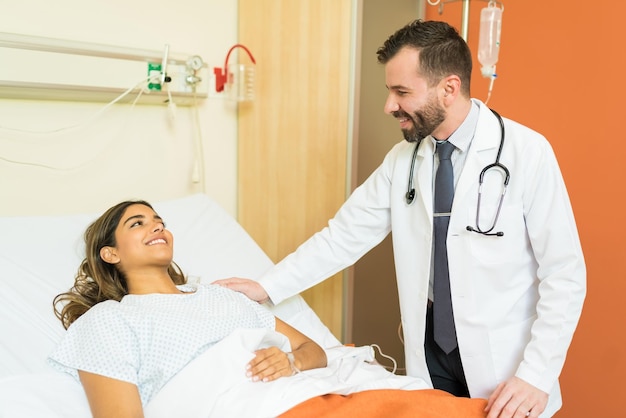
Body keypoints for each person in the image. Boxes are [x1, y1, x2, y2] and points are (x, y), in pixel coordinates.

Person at [214, 19, 586, 418]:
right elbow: (342, 237)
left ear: (449, 88)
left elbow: (564, 274)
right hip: (431, 353)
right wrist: (267, 286)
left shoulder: (526, 152)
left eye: (401, 92)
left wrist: (536, 374)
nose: (389, 106)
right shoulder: (402, 161)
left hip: (507, 363)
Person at [48, 200, 327, 418]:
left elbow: (312, 350)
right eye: (137, 224)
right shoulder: (108, 319)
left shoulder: (223, 296)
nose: (158, 227)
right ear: (111, 253)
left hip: (307, 397)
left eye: (160, 222)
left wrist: (292, 362)